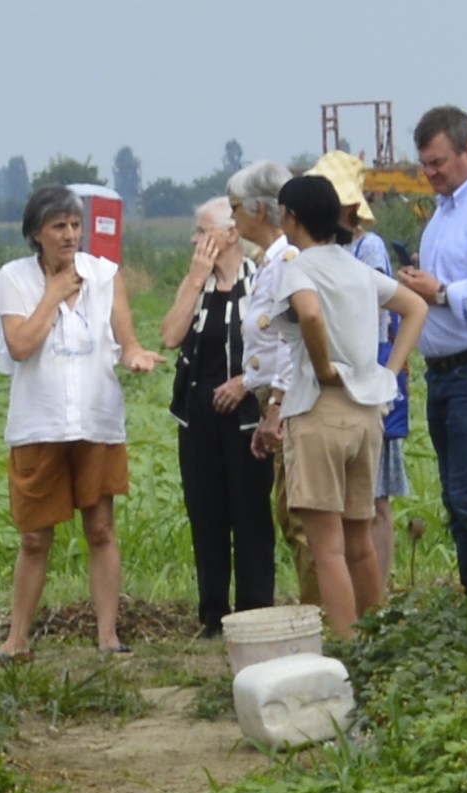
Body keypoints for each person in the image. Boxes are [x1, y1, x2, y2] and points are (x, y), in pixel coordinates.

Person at [0, 185, 165, 663]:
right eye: (59, 226)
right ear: (36, 233)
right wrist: (54, 293)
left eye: (75, 226)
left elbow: (127, 342)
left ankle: (107, 636)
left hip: (96, 420)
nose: (70, 235)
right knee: (35, 536)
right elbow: (20, 346)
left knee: (101, 528)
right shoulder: (12, 280)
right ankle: (16, 639)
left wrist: (137, 355)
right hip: (38, 424)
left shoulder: (105, 275)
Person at [269, 176, 426, 638]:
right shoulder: (357, 267)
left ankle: (346, 647)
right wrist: (390, 371)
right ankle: (376, 642)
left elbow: (310, 314)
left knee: (328, 549)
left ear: (291, 218)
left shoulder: (298, 269)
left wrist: (321, 366)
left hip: (320, 410)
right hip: (365, 415)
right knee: (360, 543)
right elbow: (415, 307)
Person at [161, 198, 274, 638]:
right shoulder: (199, 286)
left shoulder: (262, 280)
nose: (194, 239)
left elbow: (281, 347)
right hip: (199, 420)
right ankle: (212, 615)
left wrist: (245, 381)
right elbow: (170, 335)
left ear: (230, 234)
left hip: (249, 418)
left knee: (250, 514)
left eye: (202, 229)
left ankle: (255, 611)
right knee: (206, 515)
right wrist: (193, 279)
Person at [306, 151, 411, 590]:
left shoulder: (368, 249)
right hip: (337, 381)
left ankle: (378, 590)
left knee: (375, 497)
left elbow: (375, 317)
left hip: (372, 372)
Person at [229, 162, 323, 611]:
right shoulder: (267, 263)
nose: (232, 220)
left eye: (235, 209)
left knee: (301, 515)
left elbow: (290, 341)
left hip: (288, 399)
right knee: (290, 513)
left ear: (259, 209)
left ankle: (323, 619)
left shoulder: (285, 261)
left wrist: (276, 405)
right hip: (275, 396)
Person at [396, 105, 467, 595]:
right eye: (424, 164)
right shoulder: (441, 215)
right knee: (455, 497)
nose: (429, 173)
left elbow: (448, 290)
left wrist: (442, 292)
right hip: (442, 375)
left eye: (438, 163)